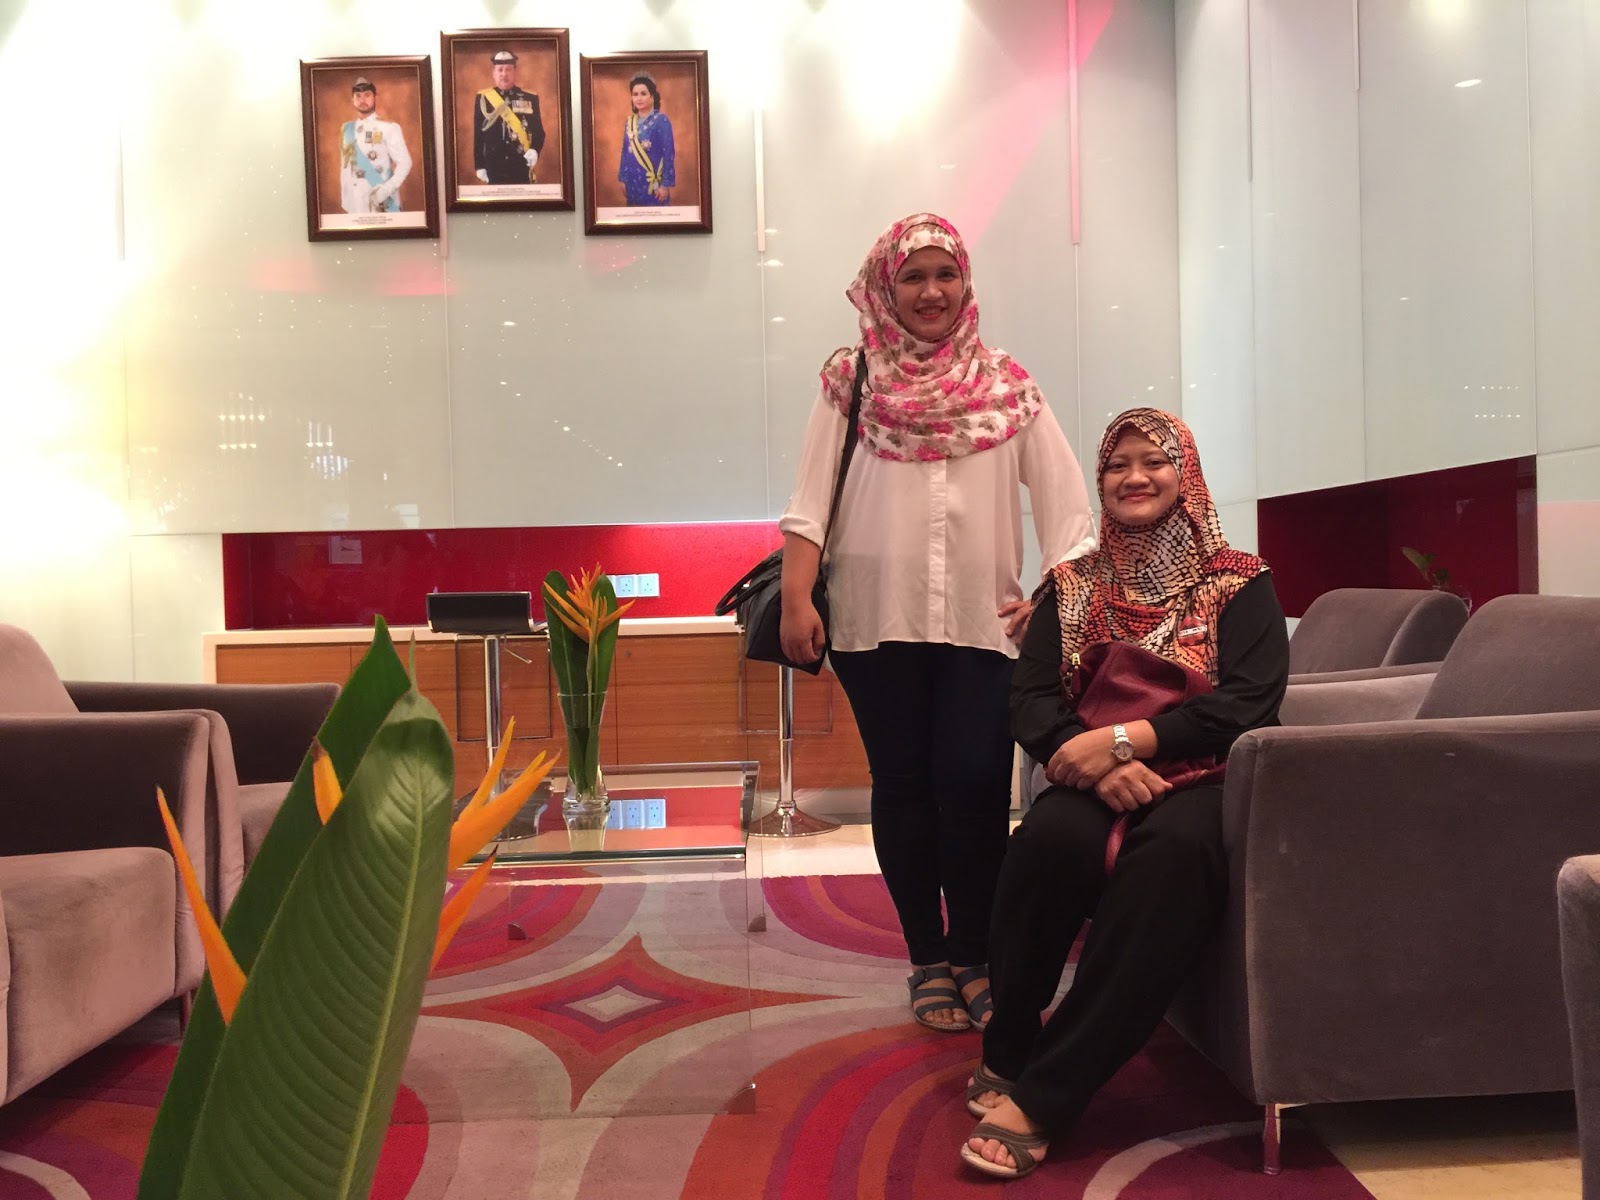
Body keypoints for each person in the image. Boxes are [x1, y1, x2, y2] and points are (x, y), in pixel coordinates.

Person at [778, 214, 1096, 1038]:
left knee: (976, 786)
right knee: (905, 788)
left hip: (981, 625)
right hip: (873, 621)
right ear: (887, 287)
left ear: (966, 283)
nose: (930, 292)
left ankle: (976, 956)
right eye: (913, 277)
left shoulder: (1007, 386)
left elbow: (1070, 511)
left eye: (944, 274)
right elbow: (809, 503)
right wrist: (798, 597)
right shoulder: (851, 379)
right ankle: (927, 956)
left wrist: (1053, 597)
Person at [960, 408, 1289, 1180]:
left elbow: (1250, 701)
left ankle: (1048, 1094)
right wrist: (1101, 768)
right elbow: (1032, 699)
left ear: (1187, 474)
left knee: (1171, 861)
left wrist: (1127, 741)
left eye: (1155, 461)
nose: (1135, 477)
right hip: (1093, 777)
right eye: (1118, 464)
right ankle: (1009, 1044)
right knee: (1047, 844)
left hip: (1205, 775)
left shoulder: (1239, 581)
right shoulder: (1073, 585)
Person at [339, 77, 413, 215]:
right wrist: (347, 201)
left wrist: (386, 191)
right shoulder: (346, 129)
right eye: (358, 96)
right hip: (355, 205)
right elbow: (345, 169)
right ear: (352, 99)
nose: (362, 100)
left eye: (367, 95)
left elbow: (405, 163)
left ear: (375, 97)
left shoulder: (389, 128)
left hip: (380, 202)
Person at [474, 50, 546, 185]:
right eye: (500, 70)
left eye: (508, 69)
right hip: (493, 167)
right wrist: (479, 165)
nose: (504, 74)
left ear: (514, 72)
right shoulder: (483, 98)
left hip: (520, 164)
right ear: (493, 73)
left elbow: (539, 132)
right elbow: (478, 136)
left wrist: (534, 150)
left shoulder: (530, 97)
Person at [616, 72, 674, 206]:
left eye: (643, 94)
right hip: (632, 184)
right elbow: (625, 153)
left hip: (653, 185)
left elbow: (668, 154)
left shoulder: (661, 120)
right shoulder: (629, 122)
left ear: (652, 96)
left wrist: (665, 185)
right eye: (635, 94)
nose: (639, 98)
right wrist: (623, 179)